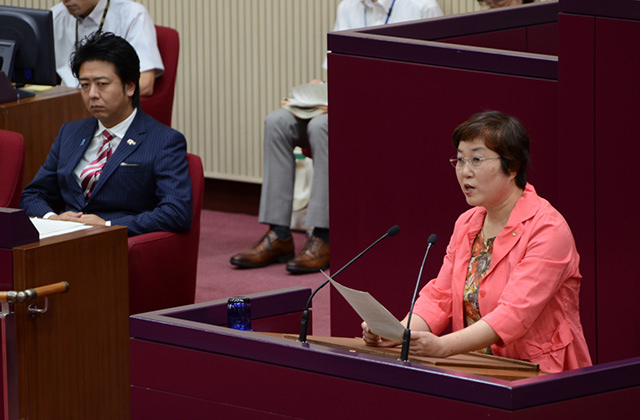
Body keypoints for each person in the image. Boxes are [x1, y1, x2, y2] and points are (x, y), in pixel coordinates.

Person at [362, 111, 592, 373]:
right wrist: (399, 333)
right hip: (478, 369)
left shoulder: (547, 228)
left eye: (476, 159)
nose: (465, 172)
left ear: (512, 166)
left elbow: (514, 315)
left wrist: (442, 347)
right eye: (460, 160)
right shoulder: (468, 223)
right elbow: (440, 296)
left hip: (539, 373)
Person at [230, 0, 443, 274]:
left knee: (322, 126)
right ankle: (279, 234)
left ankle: (323, 236)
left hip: (394, 111)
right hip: (348, 105)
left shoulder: (421, 7)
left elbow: (430, 78)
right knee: (277, 121)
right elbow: (336, 69)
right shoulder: (349, 7)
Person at [20, 32, 192, 237]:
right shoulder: (70, 132)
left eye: (102, 84)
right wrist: (52, 218)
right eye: (85, 85)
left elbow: (176, 212)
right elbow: (33, 194)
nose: (92, 94)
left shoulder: (164, 141)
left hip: (114, 246)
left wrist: (109, 225)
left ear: (129, 87)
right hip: (61, 240)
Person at [51, 0, 164, 97]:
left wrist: (98, 97)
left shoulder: (132, 15)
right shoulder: (55, 15)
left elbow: (145, 83)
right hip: (64, 103)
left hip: (106, 107)